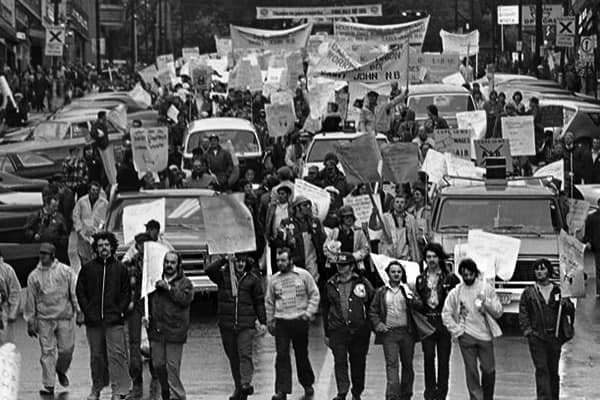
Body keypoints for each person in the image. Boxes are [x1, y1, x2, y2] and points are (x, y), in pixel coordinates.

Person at [76, 232, 131, 400]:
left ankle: (118, 389)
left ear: (112, 247)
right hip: (94, 322)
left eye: (106, 245)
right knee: (97, 357)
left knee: (117, 355)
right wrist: (87, 311)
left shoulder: (121, 269)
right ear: (96, 248)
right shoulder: (88, 268)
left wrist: (120, 310)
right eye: (100, 246)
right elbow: (80, 291)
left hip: (114, 320)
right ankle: (97, 388)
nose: (104, 248)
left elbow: (126, 292)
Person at [206, 253, 267, 400]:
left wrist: (263, 321)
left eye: (243, 261)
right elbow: (209, 271)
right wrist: (224, 259)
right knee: (233, 358)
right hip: (227, 324)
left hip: (246, 324)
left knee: (244, 354)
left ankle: (246, 383)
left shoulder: (252, 279)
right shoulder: (223, 277)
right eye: (237, 261)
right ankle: (239, 387)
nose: (240, 264)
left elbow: (259, 301)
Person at [442, 259, 503, 400]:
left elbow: (499, 312)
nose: (468, 277)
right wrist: (457, 330)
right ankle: (476, 398)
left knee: (489, 370)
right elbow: (446, 313)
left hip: (485, 335)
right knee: (471, 371)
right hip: (466, 336)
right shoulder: (456, 292)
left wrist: (486, 304)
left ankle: (487, 397)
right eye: (465, 275)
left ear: (476, 273)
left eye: (470, 274)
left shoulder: (486, 288)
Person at [24, 243, 79, 396]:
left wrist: (79, 311)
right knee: (47, 352)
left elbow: (74, 292)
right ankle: (49, 385)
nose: (42, 256)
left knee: (66, 349)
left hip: (64, 316)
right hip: (44, 319)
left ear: (53, 255)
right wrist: (30, 321)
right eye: (40, 253)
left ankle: (61, 369)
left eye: (45, 253)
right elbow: (30, 300)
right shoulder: (34, 276)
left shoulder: (65, 271)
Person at [265, 247, 320, 400]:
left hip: (299, 320)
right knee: (282, 356)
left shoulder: (303, 275)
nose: (280, 263)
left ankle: (307, 383)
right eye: (278, 261)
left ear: (290, 260)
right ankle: (282, 390)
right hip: (282, 321)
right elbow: (269, 302)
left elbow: (314, 294)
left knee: (301, 355)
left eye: (283, 260)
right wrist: (270, 321)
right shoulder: (274, 280)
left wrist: (309, 313)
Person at [518, 258, 575, 400]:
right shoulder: (529, 292)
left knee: (552, 371)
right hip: (537, 338)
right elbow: (523, 313)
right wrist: (528, 332)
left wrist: (565, 303)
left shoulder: (559, 290)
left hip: (554, 338)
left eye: (543, 269)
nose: (539, 272)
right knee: (541, 369)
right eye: (537, 269)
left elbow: (570, 311)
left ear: (548, 270)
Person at [322, 251, 375, 400]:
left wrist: (370, 325)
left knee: (358, 362)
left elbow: (372, 302)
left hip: (359, 330)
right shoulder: (330, 284)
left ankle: (357, 391)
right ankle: (342, 391)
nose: (341, 268)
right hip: (338, 329)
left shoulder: (362, 282)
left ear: (352, 266)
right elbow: (325, 308)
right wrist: (326, 332)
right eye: (339, 265)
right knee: (340, 361)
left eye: (344, 265)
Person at [413, 244, 460, 400]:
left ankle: (442, 393)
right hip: (427, 322)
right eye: (428, 257)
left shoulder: (450, 278)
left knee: (444, 359)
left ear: (439, 257)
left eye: (434, 256)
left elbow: (458, 301)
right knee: (428, 357)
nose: (431, 260)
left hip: (444, 321)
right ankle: (429, 392)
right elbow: (418, 302)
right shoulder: (420, 279)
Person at [145, 252, 194, 400]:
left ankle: (178, 396)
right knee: (158, 364)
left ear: (178, 265)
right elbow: (146, 299)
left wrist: (169, 289)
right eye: (167, 262)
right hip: (157, 331)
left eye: (172, 262)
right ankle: (166, 390)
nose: (169, 265)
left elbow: (185, 300)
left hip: (175, 331)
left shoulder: (185, 283)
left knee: (172, 368)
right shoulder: (154, 281)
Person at [369, 261, 419, 400]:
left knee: (407, 364)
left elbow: (419, 306)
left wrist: (413, 298)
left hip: (406, 333)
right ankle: (392, 395)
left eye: (399, 272)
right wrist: (378, 324)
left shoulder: (407, 289)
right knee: (392, 364)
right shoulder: (381, 292)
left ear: (402, 274)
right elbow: (373, 311)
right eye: (393, 272)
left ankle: (406, 394)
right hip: (389, 333)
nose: (396, 274)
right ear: (388, 274)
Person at [275, 196, 327, 284]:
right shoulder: (286, 223)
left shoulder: (315, 221)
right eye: (305, 205)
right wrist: (287, 240)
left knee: (313, 282)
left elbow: (323, 239)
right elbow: (279, 243)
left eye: (309, 205)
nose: (308, 207)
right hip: (296, 259)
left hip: (312, 258)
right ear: (297, 207)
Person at [72, 181, 108, 268]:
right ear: (89, 190)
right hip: (83, 236)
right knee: (84, 259)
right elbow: (75, 216)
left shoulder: (104, 203)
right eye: (93, 190)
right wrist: (80, 230)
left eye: (97, 190)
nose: (94, 192)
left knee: (97, 259)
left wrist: (98, 230)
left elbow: (105, 219)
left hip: (97, 235)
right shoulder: (81, 201)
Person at [24, 194, 70, 264]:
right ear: (47, 205)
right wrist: (33, 235)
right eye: (53, 206)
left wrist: (60, 241)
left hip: (55, 251)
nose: (56, 208)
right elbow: (26, 230)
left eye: (57, 206)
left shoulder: (59, 217)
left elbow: (64, 234)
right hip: (38, 250)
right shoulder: (36, 216)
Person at [324, 206, 370, 273]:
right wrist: (334, 257)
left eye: (351, 217)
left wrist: (354, 256)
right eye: (346, 217)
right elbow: (326, 248)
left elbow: (365, 249)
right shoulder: (334, 232)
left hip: (354, 266)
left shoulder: (359, 232)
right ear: (342, 219)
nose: (349, 219)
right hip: (337, 266)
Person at [381, 196, 420, 263]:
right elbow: (375, 228)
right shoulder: (385, 217)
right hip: (389, 253)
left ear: (405, 205)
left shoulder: (411, 219)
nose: (399, 204)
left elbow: (415, 236)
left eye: (402, 202)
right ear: (393, 204)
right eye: (397, 202)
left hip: (406, 254)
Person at [0, 249, 20, 345]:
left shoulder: (6, 270)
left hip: (3, 312)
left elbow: (15, 291)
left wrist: (13, 311)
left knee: (6, 346)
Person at [583, 200, 600, 297]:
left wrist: (587, 241)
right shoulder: (591, 217)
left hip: (597, 245)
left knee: (599, 269)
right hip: (597, 246)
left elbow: (587, 233)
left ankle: (599, 291)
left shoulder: (591, 217)